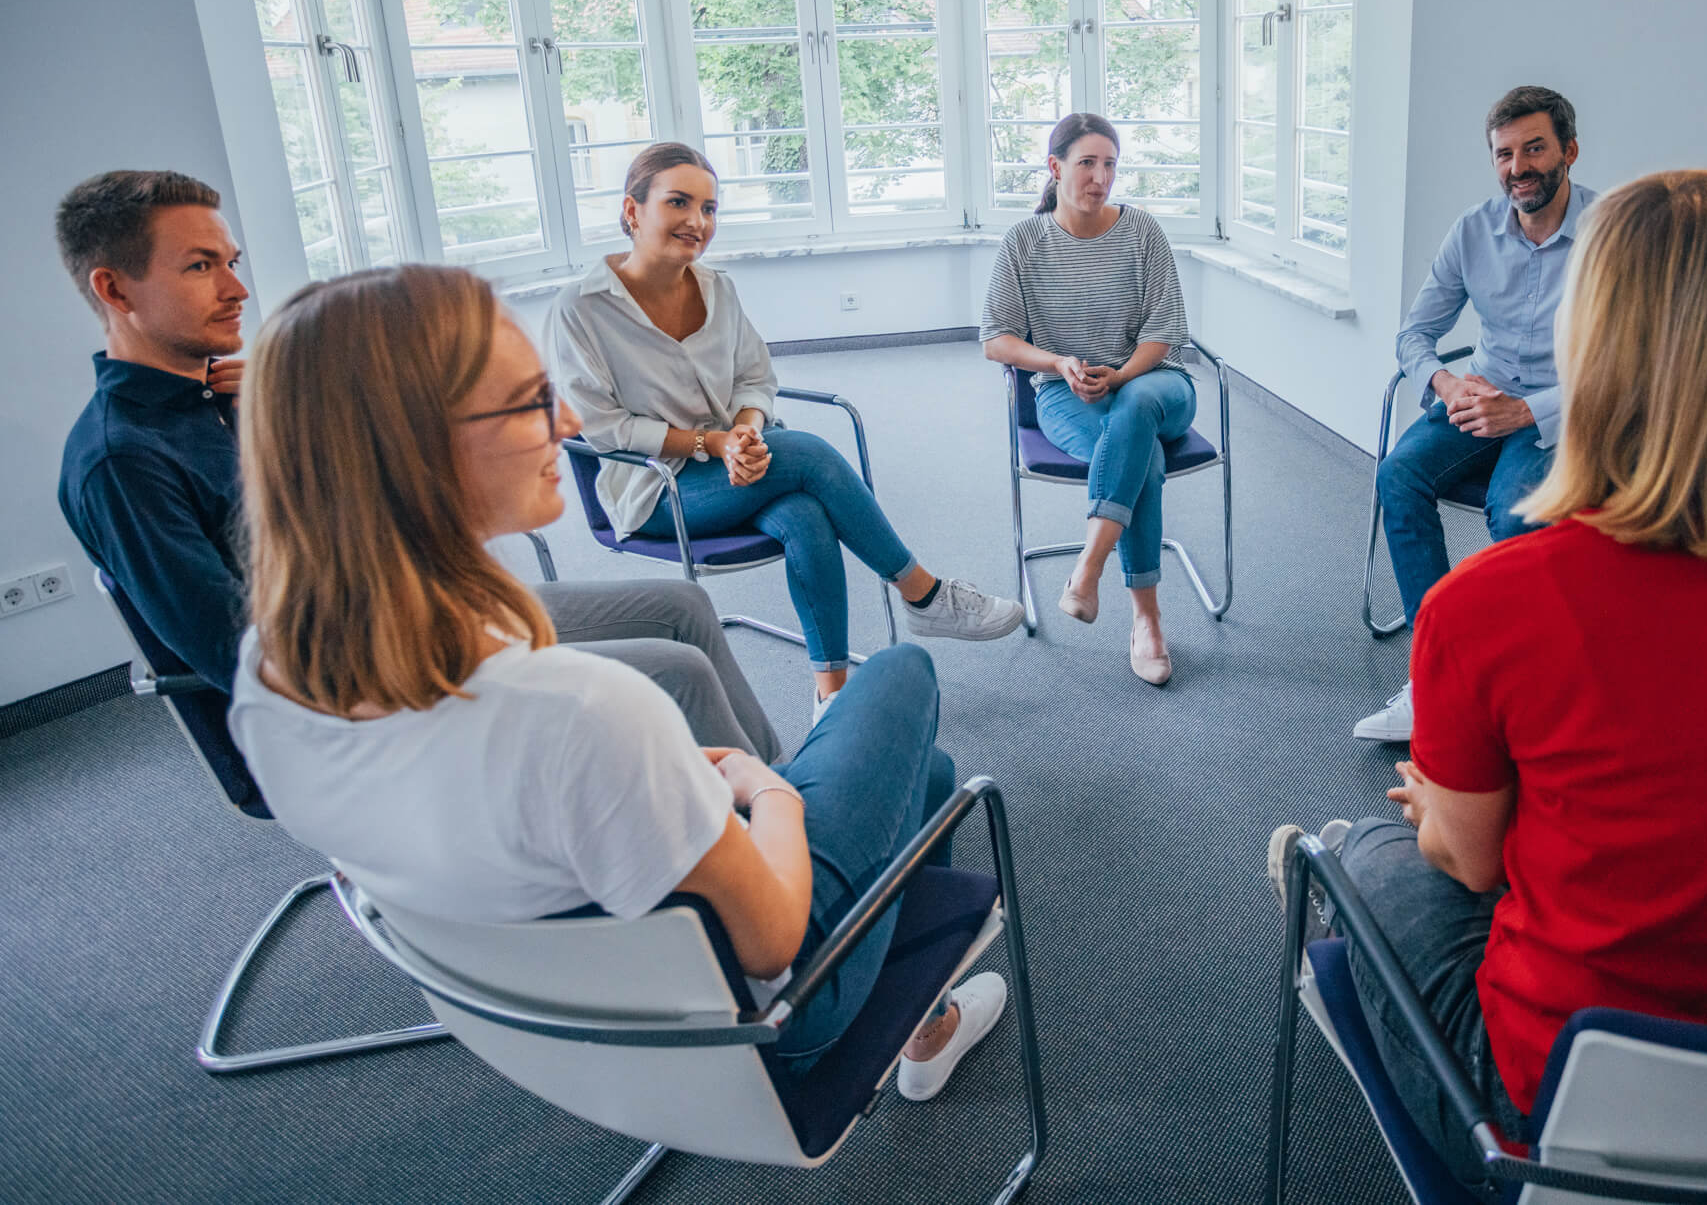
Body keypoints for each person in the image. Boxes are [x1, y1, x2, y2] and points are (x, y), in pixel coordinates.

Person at [1273, 171, 1707, 1184]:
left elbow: (1467, 862)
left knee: (1364, 851)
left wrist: (1442, 813)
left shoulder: (1489, 603)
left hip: (1582, 1125)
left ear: (1589, 341)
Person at [225, 265, 1006, 1098]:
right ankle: (918, 1021)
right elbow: (777, 940)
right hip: (768, 1021)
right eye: (531, 402)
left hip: (550, 1028)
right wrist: (766, 787)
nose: (566, 424)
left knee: (924, 779)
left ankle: (928, 1018)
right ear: (416, 452)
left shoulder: (267, 677)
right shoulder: (582, 714)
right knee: (900, 675)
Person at [53, 170, 782, 758]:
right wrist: (456, 653)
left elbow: (358, 511)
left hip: (423, 606)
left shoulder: (230, 397)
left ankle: (782, 797)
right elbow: (240, 652)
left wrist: (291, 408)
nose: (237, 289)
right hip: (379, 673)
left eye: (231, 263)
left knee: (682, 607)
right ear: (115, 290)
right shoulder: (124, 460)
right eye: (200, 266)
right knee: (676, 671)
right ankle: (772, 842)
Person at [548, 144, 1023, 719]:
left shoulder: (717, 288)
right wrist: (713, 443)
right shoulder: (582, 308)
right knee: (807, 454)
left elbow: (755, 379)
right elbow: (602, 427)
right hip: (656, 487)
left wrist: (745, 434)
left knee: (804, 513)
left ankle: (831, 693)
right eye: (678, 202)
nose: (697, 221)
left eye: (709, 208)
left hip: (740, 462)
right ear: (632, 210)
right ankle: (922, 593)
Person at [1359, 87, 1599, 741]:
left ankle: (1519, 687)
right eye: (1504, 154)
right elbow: (1414, 334)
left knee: (1515, 512)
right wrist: (1444, 382)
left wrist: (1524, 410)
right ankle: (1436, 672)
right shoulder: (1473, 230)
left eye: (1534, 149)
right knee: (1397, 475)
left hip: (1562, 409)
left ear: (1570, 151)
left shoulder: (1611, 236)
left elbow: (1629, 364)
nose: (1518, 167)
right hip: (1478, 397)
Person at [981, 113, 1194, 686]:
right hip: (1065, 396)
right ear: (1055, 167)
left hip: (1156, 383)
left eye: (1110, 165)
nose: (1101, 177)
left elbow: (1165, 331)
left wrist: (1121, 376)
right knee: (1141, 457)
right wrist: (1058, 363)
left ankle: (1089, 567)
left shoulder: (1142, 230)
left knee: (1137, 409)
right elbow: (995, 339)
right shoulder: (1024, 242)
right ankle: (1147, 620)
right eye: (1087, 163)